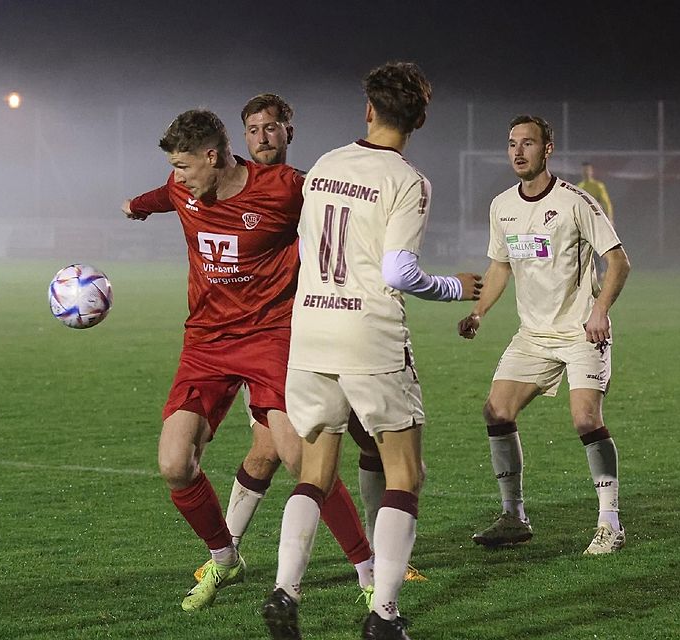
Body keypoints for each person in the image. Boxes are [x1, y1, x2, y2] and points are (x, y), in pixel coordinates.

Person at [261, 62, 481, 640]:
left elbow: (309, 248)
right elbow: (398, 270)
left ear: (368, 111)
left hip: (311, 332)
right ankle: (384, 615)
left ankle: (286, 588)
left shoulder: (325, 166)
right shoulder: (408, 180)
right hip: (369, 336)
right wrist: (455, 286)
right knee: (405, 473)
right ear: (420, 121)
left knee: (315, 473)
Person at [121, 109, 372, 612]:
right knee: (174, 464)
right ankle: (225, 555)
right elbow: (155, 198)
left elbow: (344, 214)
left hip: (270, 336)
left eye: (186, 166)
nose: (179, 177)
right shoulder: (181, 189)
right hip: (205, 343)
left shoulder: (283, 188)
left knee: (302, 457)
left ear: (214, 157)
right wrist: (134, 206)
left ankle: (368, 569)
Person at [195, 93, 425, 585]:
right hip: (276, 338)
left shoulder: (309, 183)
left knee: (328, 446)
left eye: (271, 127)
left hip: (300, 332)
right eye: (253, 129)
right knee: (291, 452)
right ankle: (369, 566)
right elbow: (181, 187)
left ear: (288, 132)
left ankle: (369, 559)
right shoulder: (231, 185)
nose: (262, 137)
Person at [457, 115, 631, 556]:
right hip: (533, 336)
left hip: (579, 332)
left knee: (585, 419)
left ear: (547, 148)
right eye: (512, 143)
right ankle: (513, 516)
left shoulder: (576, 202)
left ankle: (610, 523)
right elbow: (501, 265)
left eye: (528, 143)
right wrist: (479, 312)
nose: (518, 151)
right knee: (497, 411)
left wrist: (600, 311)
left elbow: (618, 261)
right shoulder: (502, 206)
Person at [576, 162, 615, 274]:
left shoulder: (597, 186)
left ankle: (602, 270)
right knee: (586, 247)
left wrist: (610, 219)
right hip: (584, 222)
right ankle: (591, 271)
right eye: (584, 170)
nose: (586, 172)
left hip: (597, 221)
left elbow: (606, 203)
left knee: (600, 246)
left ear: (591, 171)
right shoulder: (579, 186)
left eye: (588, 170)